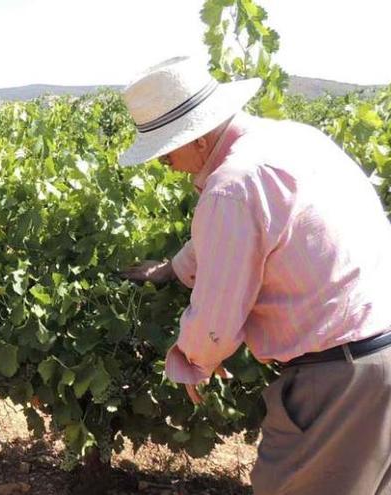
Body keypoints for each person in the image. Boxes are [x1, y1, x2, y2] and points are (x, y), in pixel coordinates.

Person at [118, 56, 391, 494]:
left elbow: (217, 320)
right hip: (379, 360)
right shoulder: (296, 139)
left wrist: (191, 361)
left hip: (338, 381)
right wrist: (174, 268)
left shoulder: (232, 186)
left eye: (167, 148)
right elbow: (251, 233)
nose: (165, 162)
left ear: (201, 139)